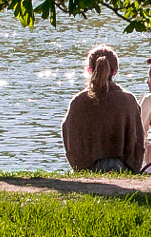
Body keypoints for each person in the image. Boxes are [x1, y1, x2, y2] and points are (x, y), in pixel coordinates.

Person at [61, 45, 144, 173]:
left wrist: (79, 166)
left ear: (90, 70)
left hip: (88, 169)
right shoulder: (128, 100)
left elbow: (69, 135)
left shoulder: (78, 102)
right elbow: (137, 138)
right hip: (123, 168)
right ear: (115, 71)